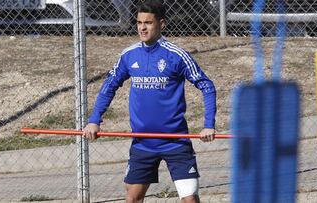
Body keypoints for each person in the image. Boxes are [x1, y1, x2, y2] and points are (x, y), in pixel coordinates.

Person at [83, 0, 217, 202]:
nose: (142, 28)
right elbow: (108, 86)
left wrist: (208, 125)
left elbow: (207, 86)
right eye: (139, 22)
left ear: (161, 24)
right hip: (143, 142)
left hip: (176, 143)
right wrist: (94, 120)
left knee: (189, 200)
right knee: (133, 198)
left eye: (148, 22)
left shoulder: (177, 55)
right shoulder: (129, 55)